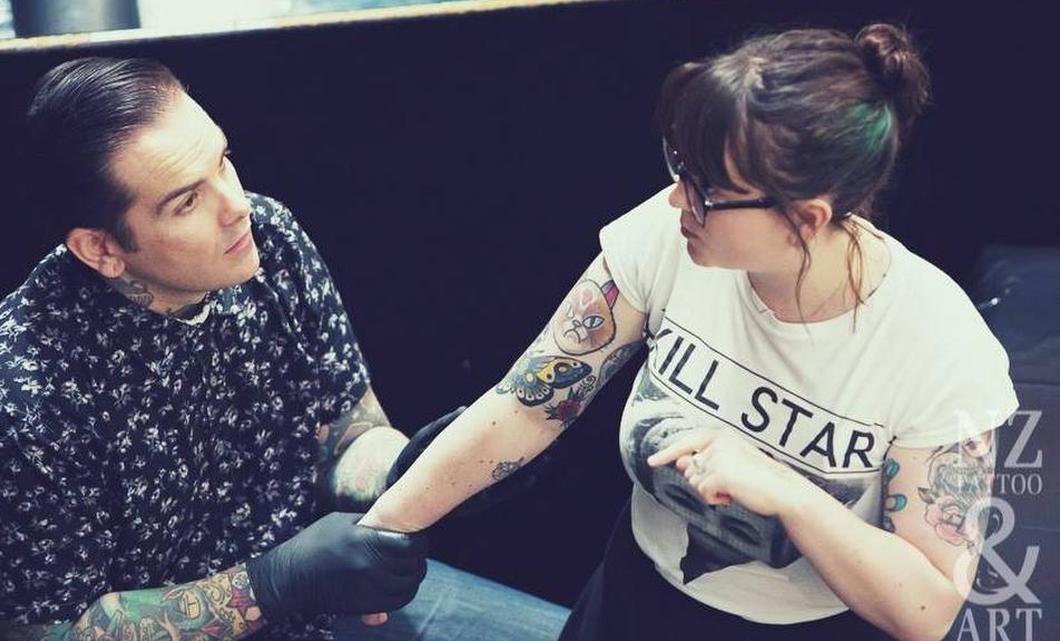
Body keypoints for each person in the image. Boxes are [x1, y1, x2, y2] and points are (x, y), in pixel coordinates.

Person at [359, 24, 1018, 641]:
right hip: (632, 599)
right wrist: (382, 528)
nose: (679, 200)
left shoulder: (938, 345)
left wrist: (789, 493)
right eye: (680, 168)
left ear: (806, 217)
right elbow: (528, 402)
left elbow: (930, 607)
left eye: (706, 190)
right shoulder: (670, 235)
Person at [0, 57, 567, 641]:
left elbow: (343, 432)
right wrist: (273, 584)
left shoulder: (267, 239)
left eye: (224, 161)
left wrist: (413, 473)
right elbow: (59, 630)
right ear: (101, 249)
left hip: (326, 607)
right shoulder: (22, 395)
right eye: (187, 201)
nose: (235, 205)